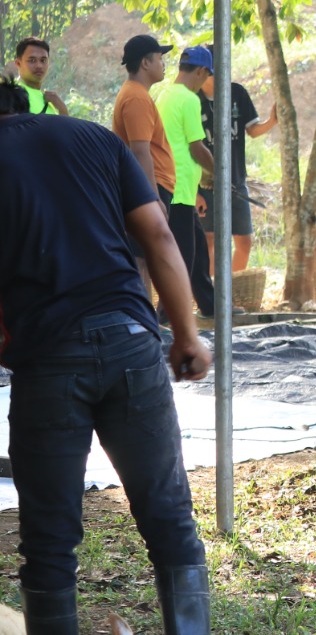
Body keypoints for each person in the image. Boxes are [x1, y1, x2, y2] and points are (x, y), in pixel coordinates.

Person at [0, 79, 212, 635]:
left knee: (48, 537)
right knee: (169, 518)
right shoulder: (95, 139)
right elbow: (160, 237)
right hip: (132, 343)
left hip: (47, 359)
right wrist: (186, 335)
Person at [152, 46, 216, 319]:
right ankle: (164, 317)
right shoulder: (190, 99)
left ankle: (211, 306)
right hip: (177, 190)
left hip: (180, 190)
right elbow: (196, 148)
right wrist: (218, 171)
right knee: (182, 260)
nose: (205, 82)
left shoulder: (164, 94)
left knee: (198, 253)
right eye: (206, 76)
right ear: (201, 71)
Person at [199, 63, 277, 273]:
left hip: (236, 182)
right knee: (209, 239)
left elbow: (252, 130)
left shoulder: (237, 93)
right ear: (203, 72)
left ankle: (232, 292)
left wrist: (272, 120)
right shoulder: (193, 99)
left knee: (244, 242)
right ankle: (212, 296)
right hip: (205, 185)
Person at [112, 33, 176, 208]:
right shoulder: (136, 98)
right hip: (151, 188)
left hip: (152, 186)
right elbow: (140, 151)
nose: (163, 64)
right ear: (145, 63)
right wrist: (153, 199)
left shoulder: (135, 93)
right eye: (159, 58)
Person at [5, 36, 68, 114]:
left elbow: (62, 126)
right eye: (32, 60)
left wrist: (62, 109)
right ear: (18, 63)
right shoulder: (10, 93)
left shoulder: (50, 100)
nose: (39, 66)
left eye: (43, 60)